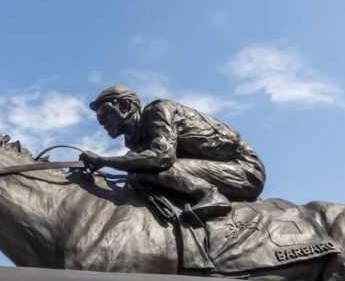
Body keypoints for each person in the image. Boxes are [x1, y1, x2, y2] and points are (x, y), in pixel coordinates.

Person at [80, 85, 266, 217]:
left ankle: (212, 196)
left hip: (244, 170)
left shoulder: (158, 110)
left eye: (105, 114)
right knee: (137, 173)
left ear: (125, 106)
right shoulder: (136, 140)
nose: (101, 122)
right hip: (216, 169)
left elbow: (162, 159)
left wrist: (104, 160)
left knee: (147, 169)